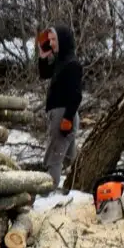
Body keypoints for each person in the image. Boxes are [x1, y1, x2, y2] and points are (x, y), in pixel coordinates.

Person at [37, 24, 83, 190]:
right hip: (60, 115)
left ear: (63, 40)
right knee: (72, 159)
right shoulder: (61, 61)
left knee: (53, 159)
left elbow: (76, 95)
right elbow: (44, 74)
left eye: (54, 39)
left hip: (63, 116)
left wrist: (67, 119)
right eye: (50, 40)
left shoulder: (72, 64)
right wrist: (43, 56)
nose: (51, 43)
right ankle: (78, 189)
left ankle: (47, 193)